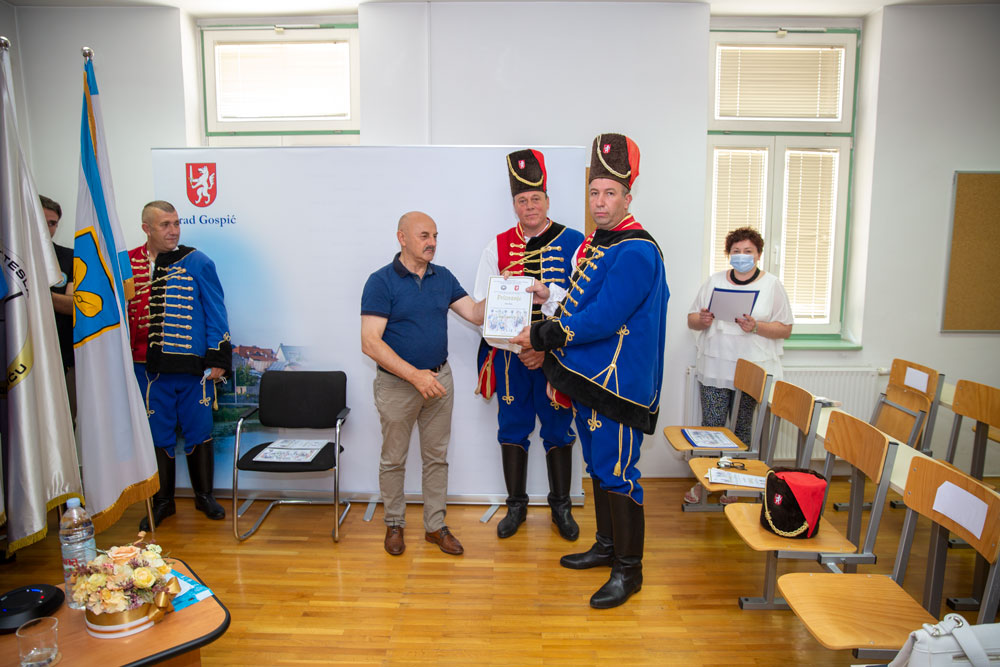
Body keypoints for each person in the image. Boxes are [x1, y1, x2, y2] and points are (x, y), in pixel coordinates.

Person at [511, 133, 669, 609]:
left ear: (627, 197)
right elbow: (580, 303)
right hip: (590, 378)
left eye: (610, 193)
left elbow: (603, 317)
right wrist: (551, 313)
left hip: (617, 385)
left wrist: (543, 335)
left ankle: (629, 570)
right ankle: (606, 547)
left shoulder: (636, 250)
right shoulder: (603, 242)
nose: (600, 202)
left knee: (618, 473)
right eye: (594, 192)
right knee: (599, 468)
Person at [473, 149, 584, 541]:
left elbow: (582, 305)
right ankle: (515, 506)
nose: (530, 206)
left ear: (547, 201)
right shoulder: (497, 246)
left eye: (536, 198)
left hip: (557, 358)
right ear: (514, 204)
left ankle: (561, 508)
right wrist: (520, 346)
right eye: (522, 199)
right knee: (512, 427)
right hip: (511, 359)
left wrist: (543, 345)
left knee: (558, 429)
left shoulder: (575, 242)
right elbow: (483, 308)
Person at [361, 211, 486, 557]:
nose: (432, 243)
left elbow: (475, 313)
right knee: (393, 459)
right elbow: (370, 342)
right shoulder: (381, 281)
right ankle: (394, 524)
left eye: (435, 236)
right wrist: (414, 375)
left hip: (439, 380)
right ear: (401, 238)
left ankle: (435, 526)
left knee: (436, 458)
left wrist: (504, 292)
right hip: (398, 385)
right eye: (424, 236)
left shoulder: (442, 277)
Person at [127, 201, 232, 530]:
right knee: (158, 435)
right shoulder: (125, 263)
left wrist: (218, 358)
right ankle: (162, 502)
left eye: (176, 223)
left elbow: (216, 311)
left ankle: (204, 496)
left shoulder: (198, 262)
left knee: (199, 430)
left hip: (192, 368)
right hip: (146, 368)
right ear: (146, 228)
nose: (173, 231)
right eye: (165, 225)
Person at [684, 226, 793, 504]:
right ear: (728, 254)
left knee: (742, 428)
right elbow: (692, 319)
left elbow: (785, 328)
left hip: (751, 368)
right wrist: (703, 320)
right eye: (736, 251)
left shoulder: (772, 285)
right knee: (711, 427)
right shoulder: (714, 281)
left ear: (758, 255)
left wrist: (756, 326)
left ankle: (734, 484)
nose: (741, 256)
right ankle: (705, 482)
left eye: (748, 251)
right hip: (716, 365)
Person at [41, 195, 76, 419]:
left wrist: (37, 294)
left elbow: (73, 305)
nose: (47, 228)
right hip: (19, 350)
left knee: (63, 418)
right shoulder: (9, 258)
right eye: (42, 221)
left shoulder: (68, 257)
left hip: (61, 353)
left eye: (52, 223)